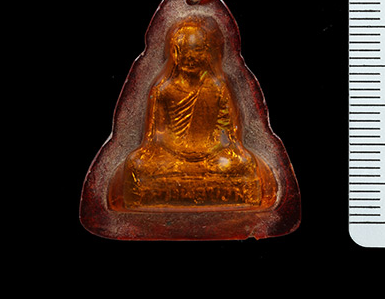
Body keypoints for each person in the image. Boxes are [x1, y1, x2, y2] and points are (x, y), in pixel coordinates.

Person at [109, 16, 275, 210]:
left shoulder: (217, 88)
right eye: (184, 50)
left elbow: (227, 136)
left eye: (197, 50)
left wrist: (209, 150)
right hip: (172, 156)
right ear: (175, 54)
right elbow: (154, 140)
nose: (190, 56)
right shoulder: (163, 91)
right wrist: (179, 151)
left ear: (207, 54)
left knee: (244, 163)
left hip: (210, 156)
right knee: (136, 165)